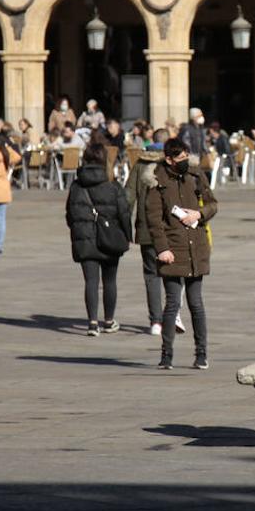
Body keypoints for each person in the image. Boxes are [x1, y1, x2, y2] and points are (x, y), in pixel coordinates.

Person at [146, 137, 218, 370]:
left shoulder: (196, 176)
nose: (185, 161)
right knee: (173, 303)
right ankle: (166, 355)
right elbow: (154, 220)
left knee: (196, 303)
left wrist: (199, 214)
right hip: (173, 249)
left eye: (187, 157)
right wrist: (162, 249)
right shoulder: (157, 181)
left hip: (195, 246)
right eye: (180, 158)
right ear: (169, 159)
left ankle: (201, 354)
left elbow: (212, 204)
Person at [66, 143, 134, 337]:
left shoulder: (77, 185)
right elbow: (124, 213)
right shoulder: (113, 185)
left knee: (91, 281)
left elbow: (70, 215)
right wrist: (128, 236)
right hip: (110, 239)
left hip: (85, 239)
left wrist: (78, 229)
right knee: (110, 281)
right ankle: (109, 321)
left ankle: (92, 323)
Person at [127, 150, 181, 336]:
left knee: (152, 275)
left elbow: (128, 197)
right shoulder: (172, 165)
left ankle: (156, 321)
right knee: (174, 273)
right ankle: (173, 316)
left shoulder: (139, 166)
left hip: (146, 229)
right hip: (172, 230)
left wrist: (125, 227)